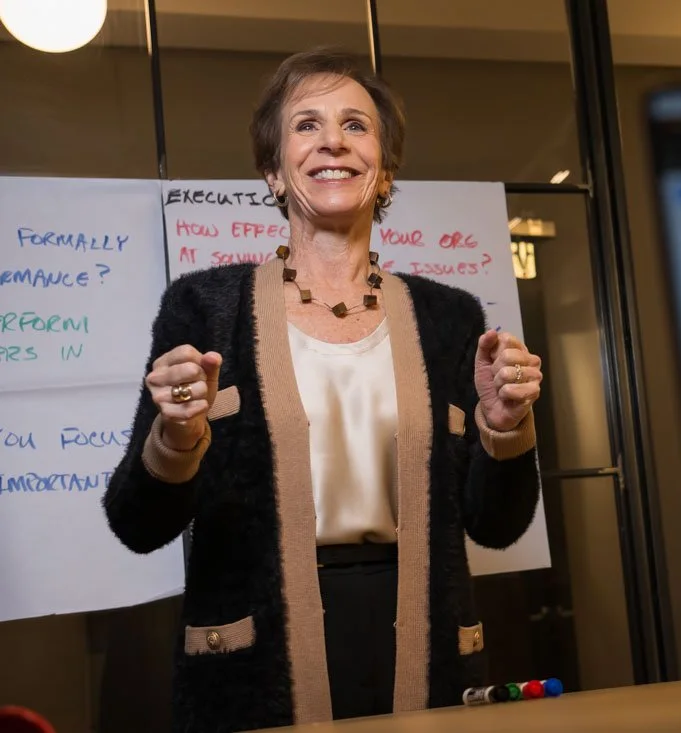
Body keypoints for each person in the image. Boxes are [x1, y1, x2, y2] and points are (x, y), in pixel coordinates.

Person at [102, 47, 543, 733]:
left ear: (384, 170)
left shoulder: (449, 318)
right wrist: (177, 436)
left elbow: (497, 526)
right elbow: (137, 524)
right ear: (273, 171)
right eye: (306, 124)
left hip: (425, 647)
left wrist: (505, 426)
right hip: (254, 664)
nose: (333, 140)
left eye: (355, 125)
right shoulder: (203, 309)